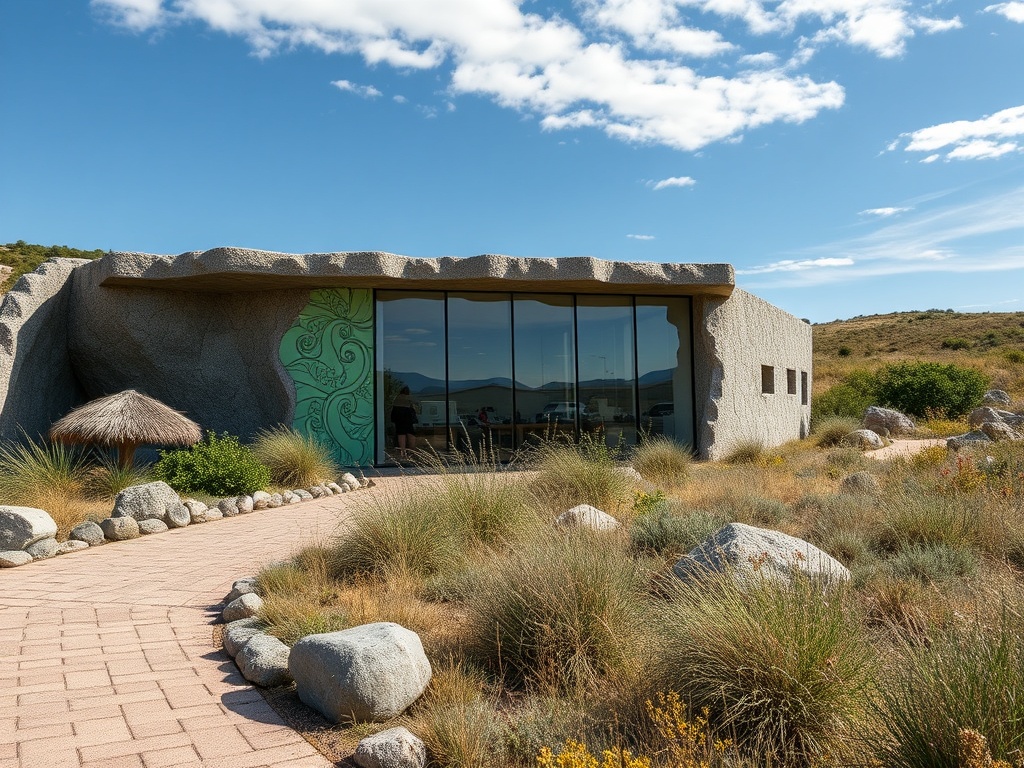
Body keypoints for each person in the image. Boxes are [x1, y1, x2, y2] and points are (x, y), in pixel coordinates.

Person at [390, 386, 418, 461]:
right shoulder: (409, 399)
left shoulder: (397, 399)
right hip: (408, 420)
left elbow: (393, 412)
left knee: (401, 435)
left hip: (399, 420)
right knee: (411, 435)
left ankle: (403, 453)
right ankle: (412, 453)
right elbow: (414, 409)